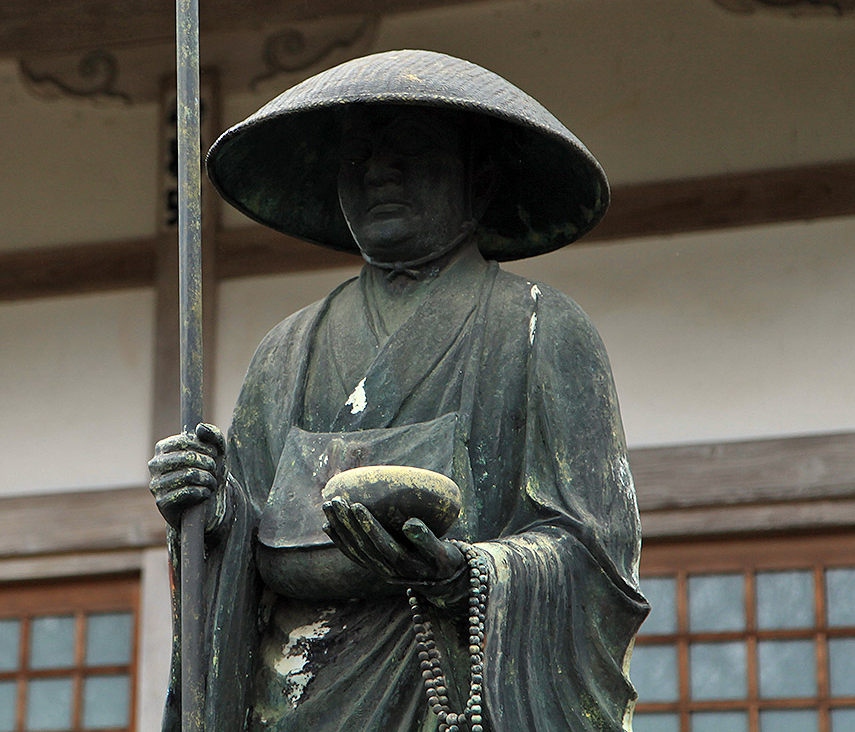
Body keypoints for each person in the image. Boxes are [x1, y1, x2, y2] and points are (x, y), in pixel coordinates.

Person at [150, 49, 647, 732]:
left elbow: (594, 548)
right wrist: (207, 510)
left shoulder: (540, 328)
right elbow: (250, 537)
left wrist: (465, 574)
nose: (380, 171)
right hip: (293, 696)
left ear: (481, 181)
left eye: (412, 151)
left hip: (447, 687)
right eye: (358, 158)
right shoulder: (288, 350)